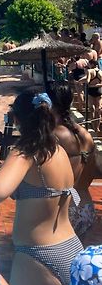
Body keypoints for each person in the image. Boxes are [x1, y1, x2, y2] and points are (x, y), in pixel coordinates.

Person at [0, 90, 83, 285]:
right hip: (71, 248)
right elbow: (44, 191)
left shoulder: (27, 151)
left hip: (39, 255)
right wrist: (8, 176)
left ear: (17, 119)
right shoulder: (58, 150)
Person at [48, 82, 97, 239]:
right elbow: (91, 171)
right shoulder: (85, 134)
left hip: (65, 209)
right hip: (86, 206)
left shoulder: (53, 135)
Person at [85, 60, 102, 133]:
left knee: (92, 108)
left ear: (92, 64)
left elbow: (87, 81)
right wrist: (97, 84)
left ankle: (93, 125)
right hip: (99, 91)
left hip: (91, 91)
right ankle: (97, 128)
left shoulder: (90, 71)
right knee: (98, 109)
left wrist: (92, 84)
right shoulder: (101, 72)